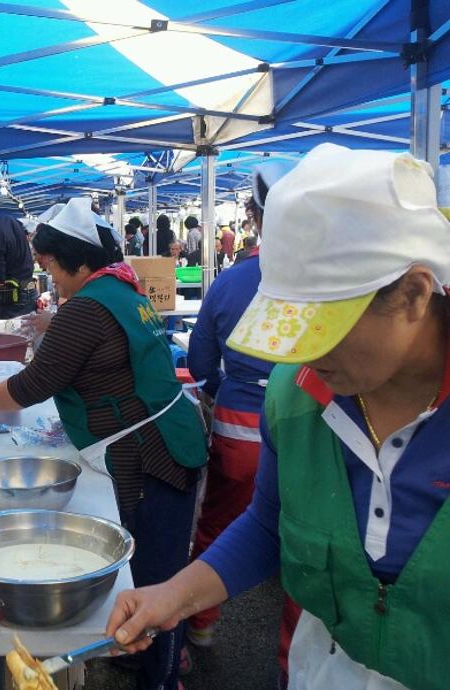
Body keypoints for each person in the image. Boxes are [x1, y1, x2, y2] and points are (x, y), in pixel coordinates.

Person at [105, 144, 450, 690]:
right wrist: (172, 596)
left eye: (324, 329)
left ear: (412, 294)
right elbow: (270, 523)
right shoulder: (298, 395)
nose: (303, 357)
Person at [0, 197, 207, 690]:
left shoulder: (86, 307)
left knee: (156, 572)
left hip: (151, 454)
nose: (50, 278)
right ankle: (147, 653)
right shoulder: (119, 289)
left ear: (78, 261)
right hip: (166, 437)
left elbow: (33, 383)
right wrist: (52, 325)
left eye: (51, 267)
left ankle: (165, 674)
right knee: (154, 561)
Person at [184, 161, 295, 674]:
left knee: (220, 523)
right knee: (308, 536)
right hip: (311, 430)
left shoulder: (230, 282)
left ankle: (201, 623)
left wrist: (213, 394)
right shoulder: (321, 283)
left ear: (253, 215)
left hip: (238, 424)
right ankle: (293, 657)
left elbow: (201, 361)